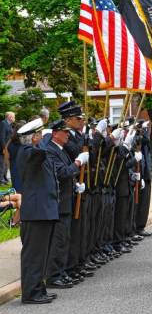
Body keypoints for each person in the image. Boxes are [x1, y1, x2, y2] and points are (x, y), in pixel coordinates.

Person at [16, 118, 58, 304]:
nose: (42, 137)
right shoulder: (27, 153)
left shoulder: (34, 151)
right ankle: (31, 293)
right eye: (39, 134)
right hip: (36, 212)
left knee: (41, 255)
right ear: (33, 138)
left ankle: (38, 289)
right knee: (34, 255)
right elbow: (40, 153)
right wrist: (49, 139)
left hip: (42, 211)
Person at [45, 119, 88, 289]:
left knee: (65, 239)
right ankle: (54, 276)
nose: (68, 135)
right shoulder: (50, 151)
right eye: (65, 132)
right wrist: (78, 163)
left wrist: (75, 184)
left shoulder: (60, 150)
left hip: (65, 200)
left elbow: (66, 174)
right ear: (55, 133)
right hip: (59, 202)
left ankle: (61, 272)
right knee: (59, 241)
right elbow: (62, 172)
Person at [0, 111, 16, 184]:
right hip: (3, 148)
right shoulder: (3, 123)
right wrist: (4, 148)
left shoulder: (9, 125)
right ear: (9, 117)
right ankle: (1, 180)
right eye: (13, 116)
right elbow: (2, 137)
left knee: (6, 164)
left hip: (7, 148)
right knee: (2, 164)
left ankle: (5, 178)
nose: (14, 118)